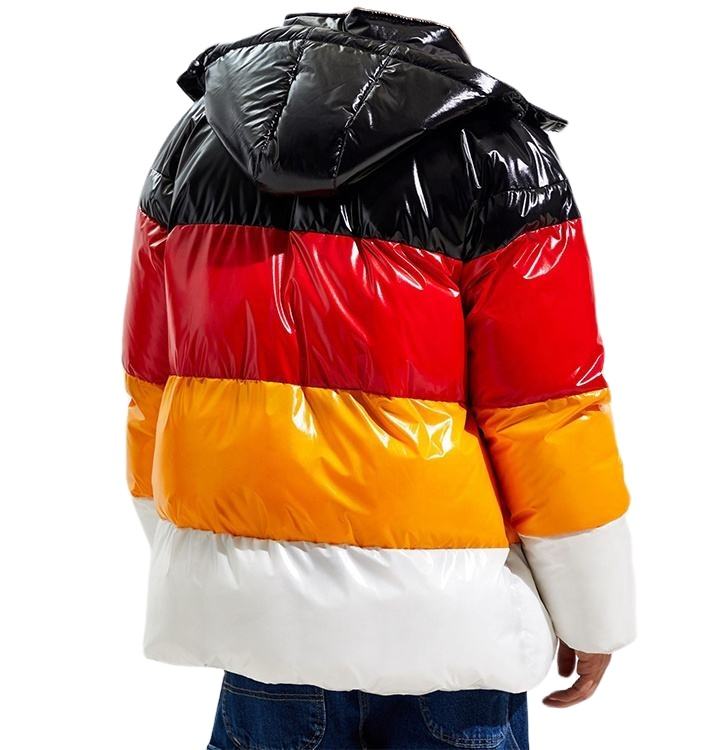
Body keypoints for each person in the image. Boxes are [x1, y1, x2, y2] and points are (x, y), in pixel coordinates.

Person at [122, 8, 636, 748]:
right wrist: (593, 614)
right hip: (450, 628)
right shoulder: (491, 150)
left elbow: (151, 384)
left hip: (265, 631)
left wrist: (217, 562)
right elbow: (547, 411)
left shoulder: (197, 141)